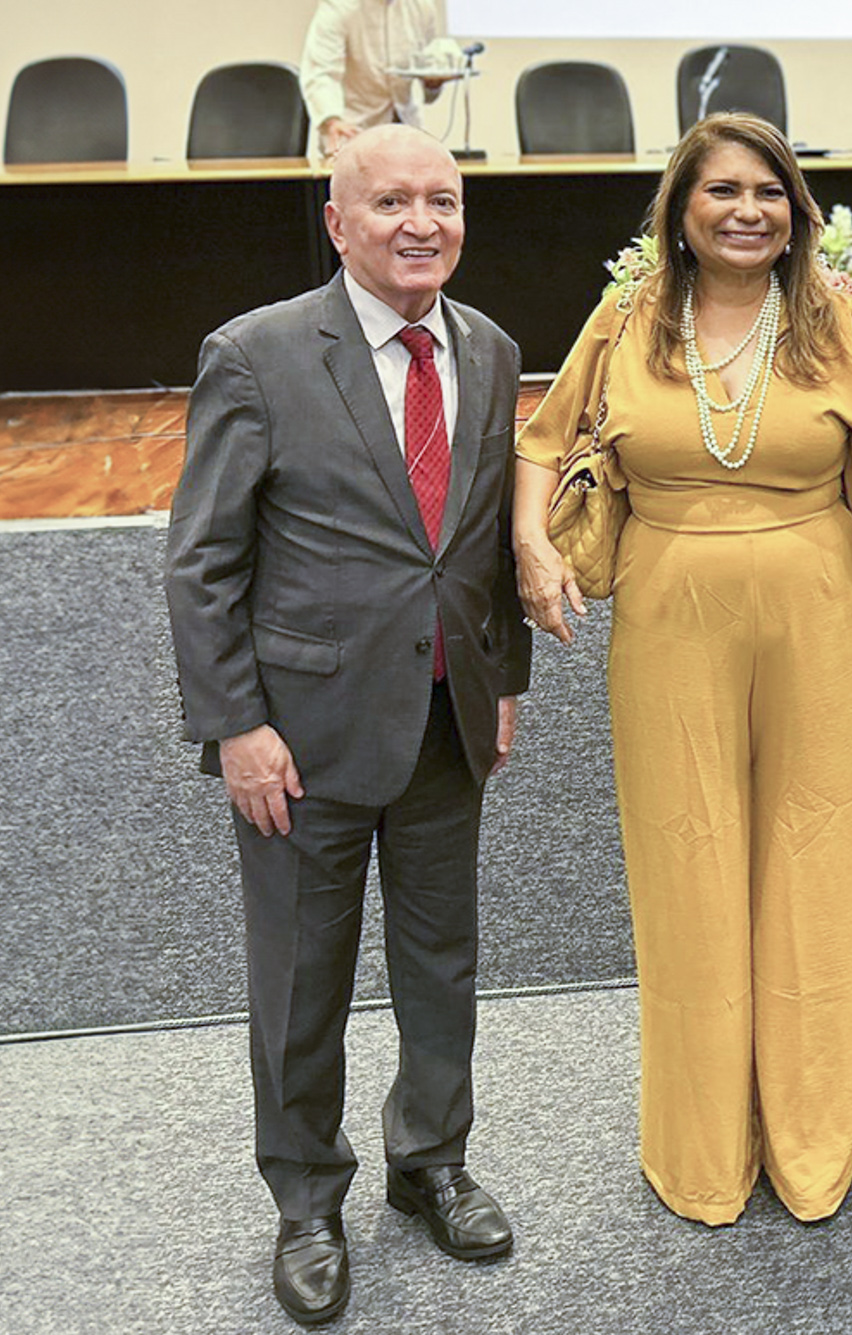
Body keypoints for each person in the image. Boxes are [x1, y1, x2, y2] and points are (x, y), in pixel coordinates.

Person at [512, 113, 852, 1225]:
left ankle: (810, 1136)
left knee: (821, 867)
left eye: (769, 192)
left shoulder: (836, 321)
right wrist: (527, 544)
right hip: (667, 624)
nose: (747, 210)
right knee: (686, 874)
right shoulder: (630, 316)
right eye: (722, 192)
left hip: (821, 619)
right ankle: (703, 1141)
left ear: (794, 211)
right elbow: (542, 442)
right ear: (681, 211)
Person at [164, 125, 527, 1324]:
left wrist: (503, 674)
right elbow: (202, 562)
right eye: (390, 203)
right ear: (336, 222)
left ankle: (431, 1161)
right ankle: (307, 1197)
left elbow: (476, 546)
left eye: (443, 200)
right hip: (300, 740)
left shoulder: (487, 348)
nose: (421, 223)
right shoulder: (259, 354)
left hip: (443, 718)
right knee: (302, 980)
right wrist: (235, 727)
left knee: (443, 965)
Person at [300, 0, 458, 157]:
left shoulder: (422, 6)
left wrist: (433, 84)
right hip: (353, 130)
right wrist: (331, 120)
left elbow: (428, 67)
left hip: (407, 130)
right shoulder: (339, 6)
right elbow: (321, 72)